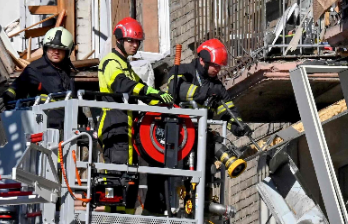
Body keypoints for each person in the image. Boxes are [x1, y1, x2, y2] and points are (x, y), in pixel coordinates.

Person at [97, 18, 174, 167]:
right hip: (114, 122)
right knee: (118, 174)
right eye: (130, 41)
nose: (135, 45)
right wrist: (148, 90)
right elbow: (122, 84)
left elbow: (141, 90)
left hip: (126, 122)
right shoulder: (110, 62)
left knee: (130, 175)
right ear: (119, 40)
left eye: (137, 42)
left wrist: (162, 103)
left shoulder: (126, 66)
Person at [166, 38, 249, 177]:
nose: (217, 70)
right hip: (179, 132)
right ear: (203, 60)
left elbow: (227, 110)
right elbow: (176, 89)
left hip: (201, 135)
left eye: (220, 67)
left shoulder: (217, 86)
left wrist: (238, 127)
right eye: (215, 65)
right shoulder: (183, 70)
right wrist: (204, 93)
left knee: (209, 170)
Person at [4, 26, 75, 109]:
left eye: (61, 49)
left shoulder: (66, 70)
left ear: (68, 52)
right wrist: (6, 97)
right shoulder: (35, 69)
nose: (56, 52)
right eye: (52, 48)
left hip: (67, 118)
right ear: (45, 48)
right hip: (43, 118)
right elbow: (18, 86)